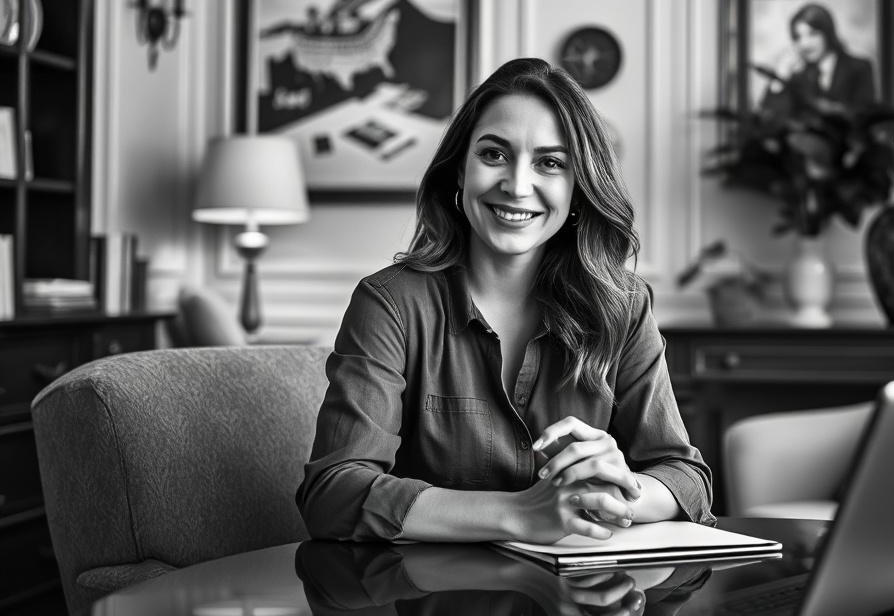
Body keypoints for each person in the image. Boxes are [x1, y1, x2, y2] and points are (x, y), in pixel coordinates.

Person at [296, 57, 714, 544]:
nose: (516, 185)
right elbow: (333, 494)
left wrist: (619, 487)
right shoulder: (390, 304)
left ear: (578, 188)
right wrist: (521, 514)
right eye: (494, 154)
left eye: (550, 163)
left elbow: (688, 480)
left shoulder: (623, 305)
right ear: (459, 170)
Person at [758, 2, 877, 116]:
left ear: (828, 33)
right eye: (798, 37)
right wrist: (780, 77)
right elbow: (768, 117)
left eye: (813, 34)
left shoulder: (859, 67)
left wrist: (831, 109)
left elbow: (864, 115)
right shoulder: (797, 75)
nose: (804, 44)